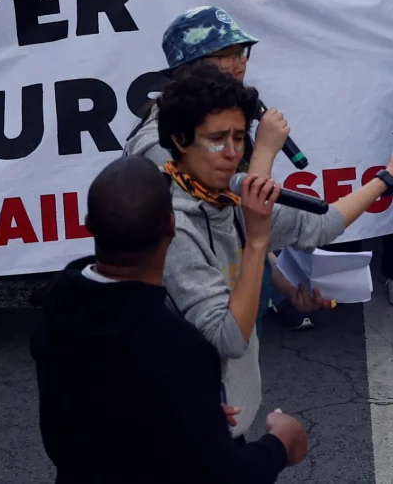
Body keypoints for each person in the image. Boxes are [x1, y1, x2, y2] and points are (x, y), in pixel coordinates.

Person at [158, 64, 393, 437]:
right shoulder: (173, 226)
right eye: (217, 139)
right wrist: (259, 240)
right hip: (188, 421)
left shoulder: (229, 193)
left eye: (239, 137)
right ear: (181, 140)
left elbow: (322, 224)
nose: (232, 153)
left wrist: (391, 173)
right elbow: (230, 337)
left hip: (230, 408)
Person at [32, 155, 310, 484]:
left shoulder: (60, 301)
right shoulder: (179, 347)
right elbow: (225, 476)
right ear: (171, 227)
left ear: (88, 223)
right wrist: (280, 443)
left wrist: (182, 411)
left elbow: (99, 402)